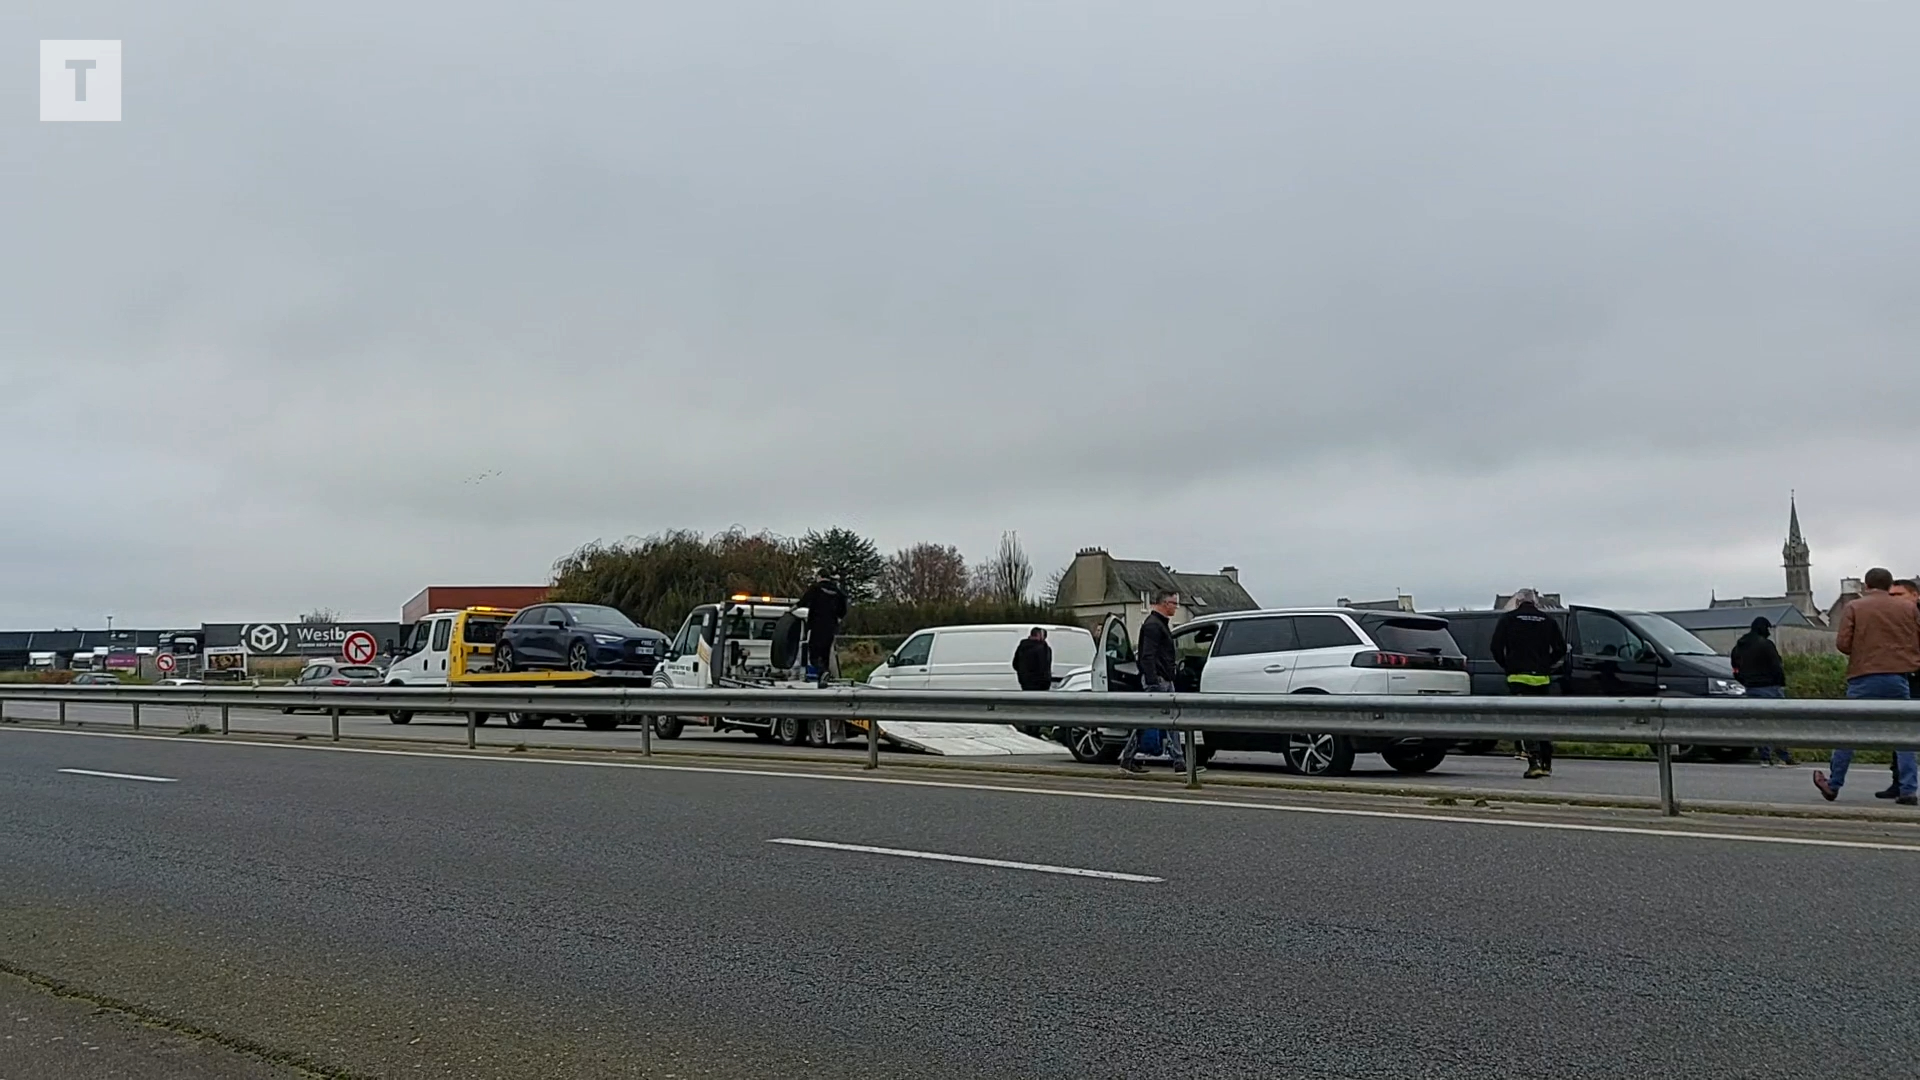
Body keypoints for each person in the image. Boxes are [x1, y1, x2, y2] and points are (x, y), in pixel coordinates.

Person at [1814, 568, 1920, 806]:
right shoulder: (1908, 608)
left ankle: (1833, 784)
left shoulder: (1855, 607)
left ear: (1866, 585)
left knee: (1849, 732)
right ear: (1889, 584)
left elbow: (1843, 643)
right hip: (1898, 677)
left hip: (1864, 676)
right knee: (1903, 736)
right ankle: (1909, 789)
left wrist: (1864, 649)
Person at [1490, 588, 1567, 780]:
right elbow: (1561, 648)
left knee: (1524, 721)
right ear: (1536, 602)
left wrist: (1508, 666)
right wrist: (1546, 664)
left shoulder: (1508, 619)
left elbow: (1495, 647)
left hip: (1518, 678)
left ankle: (1534, 764)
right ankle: (1547, 763)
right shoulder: (1547, 620)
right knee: (1541, 720)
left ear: (1517, 602)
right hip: (1541, 678)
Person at [1120, 590, 1191, 775]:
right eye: (1174, 603)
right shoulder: (1154, 626)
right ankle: (1179, 761)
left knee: (1154, 719)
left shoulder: (1159, 624)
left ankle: (1129, 758)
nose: (1176, 607)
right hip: (1159, 680)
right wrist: (1153, 680)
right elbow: (1147, 655)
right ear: (1164, 603)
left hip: (1164, 679)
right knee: (1168, 720)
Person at [1871, 579, 1920, 797]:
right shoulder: (1896, 619)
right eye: (1891, 596)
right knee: (1900, 732)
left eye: (1899, 596)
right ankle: (1899, 782)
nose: (1894, 601)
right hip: (1903, 678)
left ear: (1915, 595)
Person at [1730, 616, 1794, 766]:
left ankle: (1764, 757)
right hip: (1770, 688)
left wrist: (1744, 680)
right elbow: (1777, 666)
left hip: (1751, 689)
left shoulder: (1739, 646)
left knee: (1759, 724)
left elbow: (1735, 669)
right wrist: (1781, 683)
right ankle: (1783, 757)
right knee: (1778, 724)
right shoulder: (1766, 645)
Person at [795, 570, 849, 685]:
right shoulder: (837, 591)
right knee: (825, 654)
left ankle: (822, 671)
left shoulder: (815, 588)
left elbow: (803, 602)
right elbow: (843, 609)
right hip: (830, 627)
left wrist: (790, 610)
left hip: (816, 625)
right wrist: (838, 618)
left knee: (814, 654)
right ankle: (823, 679)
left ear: (819, 577)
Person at [1011, 627, 1053, 691]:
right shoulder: (1042, 648)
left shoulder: (1022, 647)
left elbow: (1015, 664)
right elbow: (1044, 667)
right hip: (1040, 685)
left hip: (1025, 682)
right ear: (1039, 635)